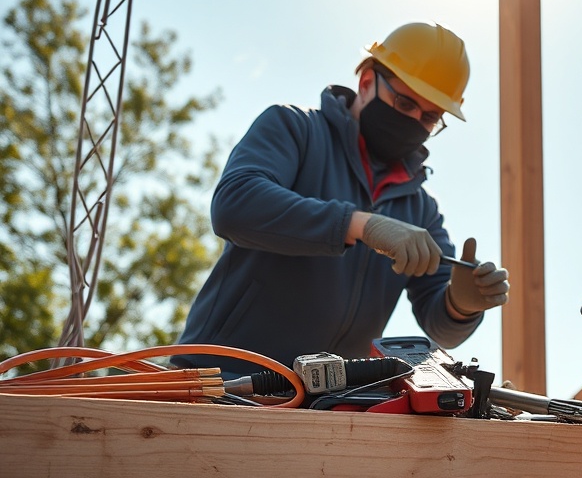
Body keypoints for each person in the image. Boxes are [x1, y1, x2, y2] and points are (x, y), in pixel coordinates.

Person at [173, 22, 509, 378]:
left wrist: (461, 305)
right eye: (404, 102)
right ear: (366, 83)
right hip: (220, 380)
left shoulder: (420, 210)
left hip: (328, 403)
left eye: (429, 117)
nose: (413, 120)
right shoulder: (295, 129)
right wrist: (359, 225)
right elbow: (235, 205)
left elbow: (441, 326)